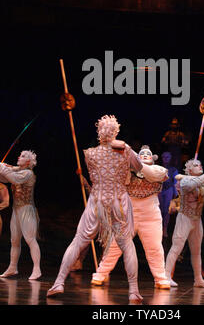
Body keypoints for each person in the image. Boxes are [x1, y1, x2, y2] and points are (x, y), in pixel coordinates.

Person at [47, 115, 143, 303]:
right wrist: (127, 148)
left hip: (98, 200)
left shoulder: (89, 153)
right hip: (118, 200)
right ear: (116, 132)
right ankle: (134, 291)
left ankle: (59, 282)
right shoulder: (124, 150)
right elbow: (138, 168)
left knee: (79, 241)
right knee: (126, 244)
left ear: (99, 132)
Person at [91, 145, 170, 289]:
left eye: (148, 154)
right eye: (141, 154)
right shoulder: (127, 171)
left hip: (150, 215)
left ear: (153, 158)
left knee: (154, 248)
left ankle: (160, 277)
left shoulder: (159, 170)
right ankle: (100, 274)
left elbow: (149, 173)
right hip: (128, 215)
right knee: (115, 246)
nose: (145, 155)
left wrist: (129, 152)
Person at [165, 158, 204, 288]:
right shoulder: (185, 180)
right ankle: (166, 276)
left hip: (197, 219)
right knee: (176, 248)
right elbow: (188, 186)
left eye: (200, 164)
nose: (200, 166)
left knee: (196, 251)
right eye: (196, 165)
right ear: (189, 170)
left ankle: (198, 279)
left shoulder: (203, 182)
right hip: (184, 217)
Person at [0, 151, 41, 280]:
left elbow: (14, 178)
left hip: (27, 210)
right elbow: (4, 178)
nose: (19, 157)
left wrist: (2, 167)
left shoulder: (28, 173)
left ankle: (37, 269)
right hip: (16, 210)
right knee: (14, 241)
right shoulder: (18, 171)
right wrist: (2, 168)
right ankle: (13, 267)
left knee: (30, 239)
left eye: (23, 156)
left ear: (28, 162)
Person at [158, 151, 178, 237]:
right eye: (164, 157)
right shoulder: (158, 168)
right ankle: (158, 229)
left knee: (166, 210)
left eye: (167, 157)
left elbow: (175, 182)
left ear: (170, 158)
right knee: (158, 210)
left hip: (168, 190)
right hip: (159, 190)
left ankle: (164, 229)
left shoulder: (173, 169)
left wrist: (175, 192)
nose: (166, 159)